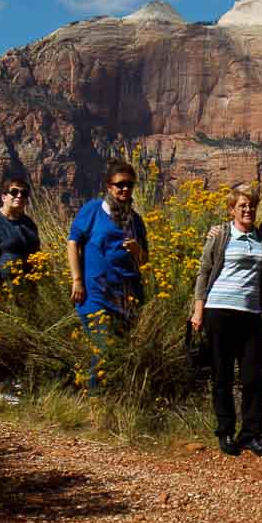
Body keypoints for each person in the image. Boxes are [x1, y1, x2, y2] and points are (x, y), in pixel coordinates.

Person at [190, 184, 262, 456]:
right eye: (242, 206)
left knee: (252, 376)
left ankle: (251, 433)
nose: (248, 210)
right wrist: (198, 310)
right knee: (222, 376)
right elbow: (204, 272)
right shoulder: (222, 234)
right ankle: (225, 432)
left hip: (250, 315)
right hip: (218, 310)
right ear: (232, 209)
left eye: (251, 205)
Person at [66, 159, 149, 383]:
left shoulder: (136, 221)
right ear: (109, 186)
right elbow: (73, 242)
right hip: (95, 293)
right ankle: (96, 399)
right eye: (120, 184)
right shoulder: (93, 210)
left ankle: (112, 398)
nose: (125, 189)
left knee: (121, 350)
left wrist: (136, 249)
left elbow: (144, 262)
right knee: (104, 347)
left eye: (130, 185)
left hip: (127, 296)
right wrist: (77, 280)